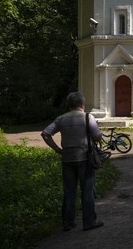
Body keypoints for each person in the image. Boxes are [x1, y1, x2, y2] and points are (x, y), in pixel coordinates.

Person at [41, 91, 105, 232]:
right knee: (87, 191)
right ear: (82, 104)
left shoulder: (61, 118)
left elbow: (45, 134)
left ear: (69, 104)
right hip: (85, 158)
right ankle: (89, 222)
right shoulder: (88, 117)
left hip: (67, 159)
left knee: (69, 192)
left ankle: (68, 223)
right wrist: (98, 135)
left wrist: (58, 149)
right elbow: (98, 137)